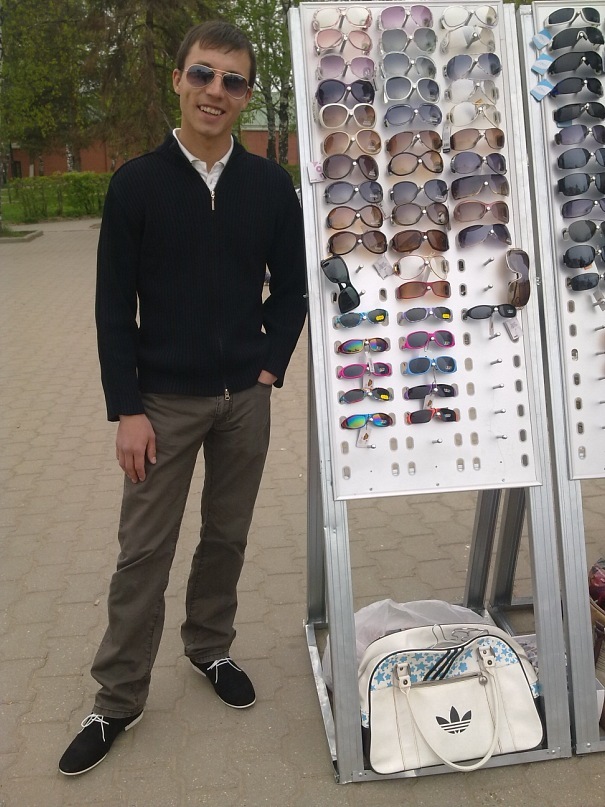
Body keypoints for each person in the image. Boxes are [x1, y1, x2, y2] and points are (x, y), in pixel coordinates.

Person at [59, 20, 307, 776]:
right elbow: (112, 307)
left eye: (233, 81)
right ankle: (117, 698)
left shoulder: (270, 186)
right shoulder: (137, 183)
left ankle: (210, 647)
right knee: (143, 553)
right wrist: (126, 408)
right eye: (202, 74)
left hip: (244, 402)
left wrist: (269, 369)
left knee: (227, 536)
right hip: (161, 403)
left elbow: (292, 289)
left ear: (246, 95)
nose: (215, 91)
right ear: (178, 80)